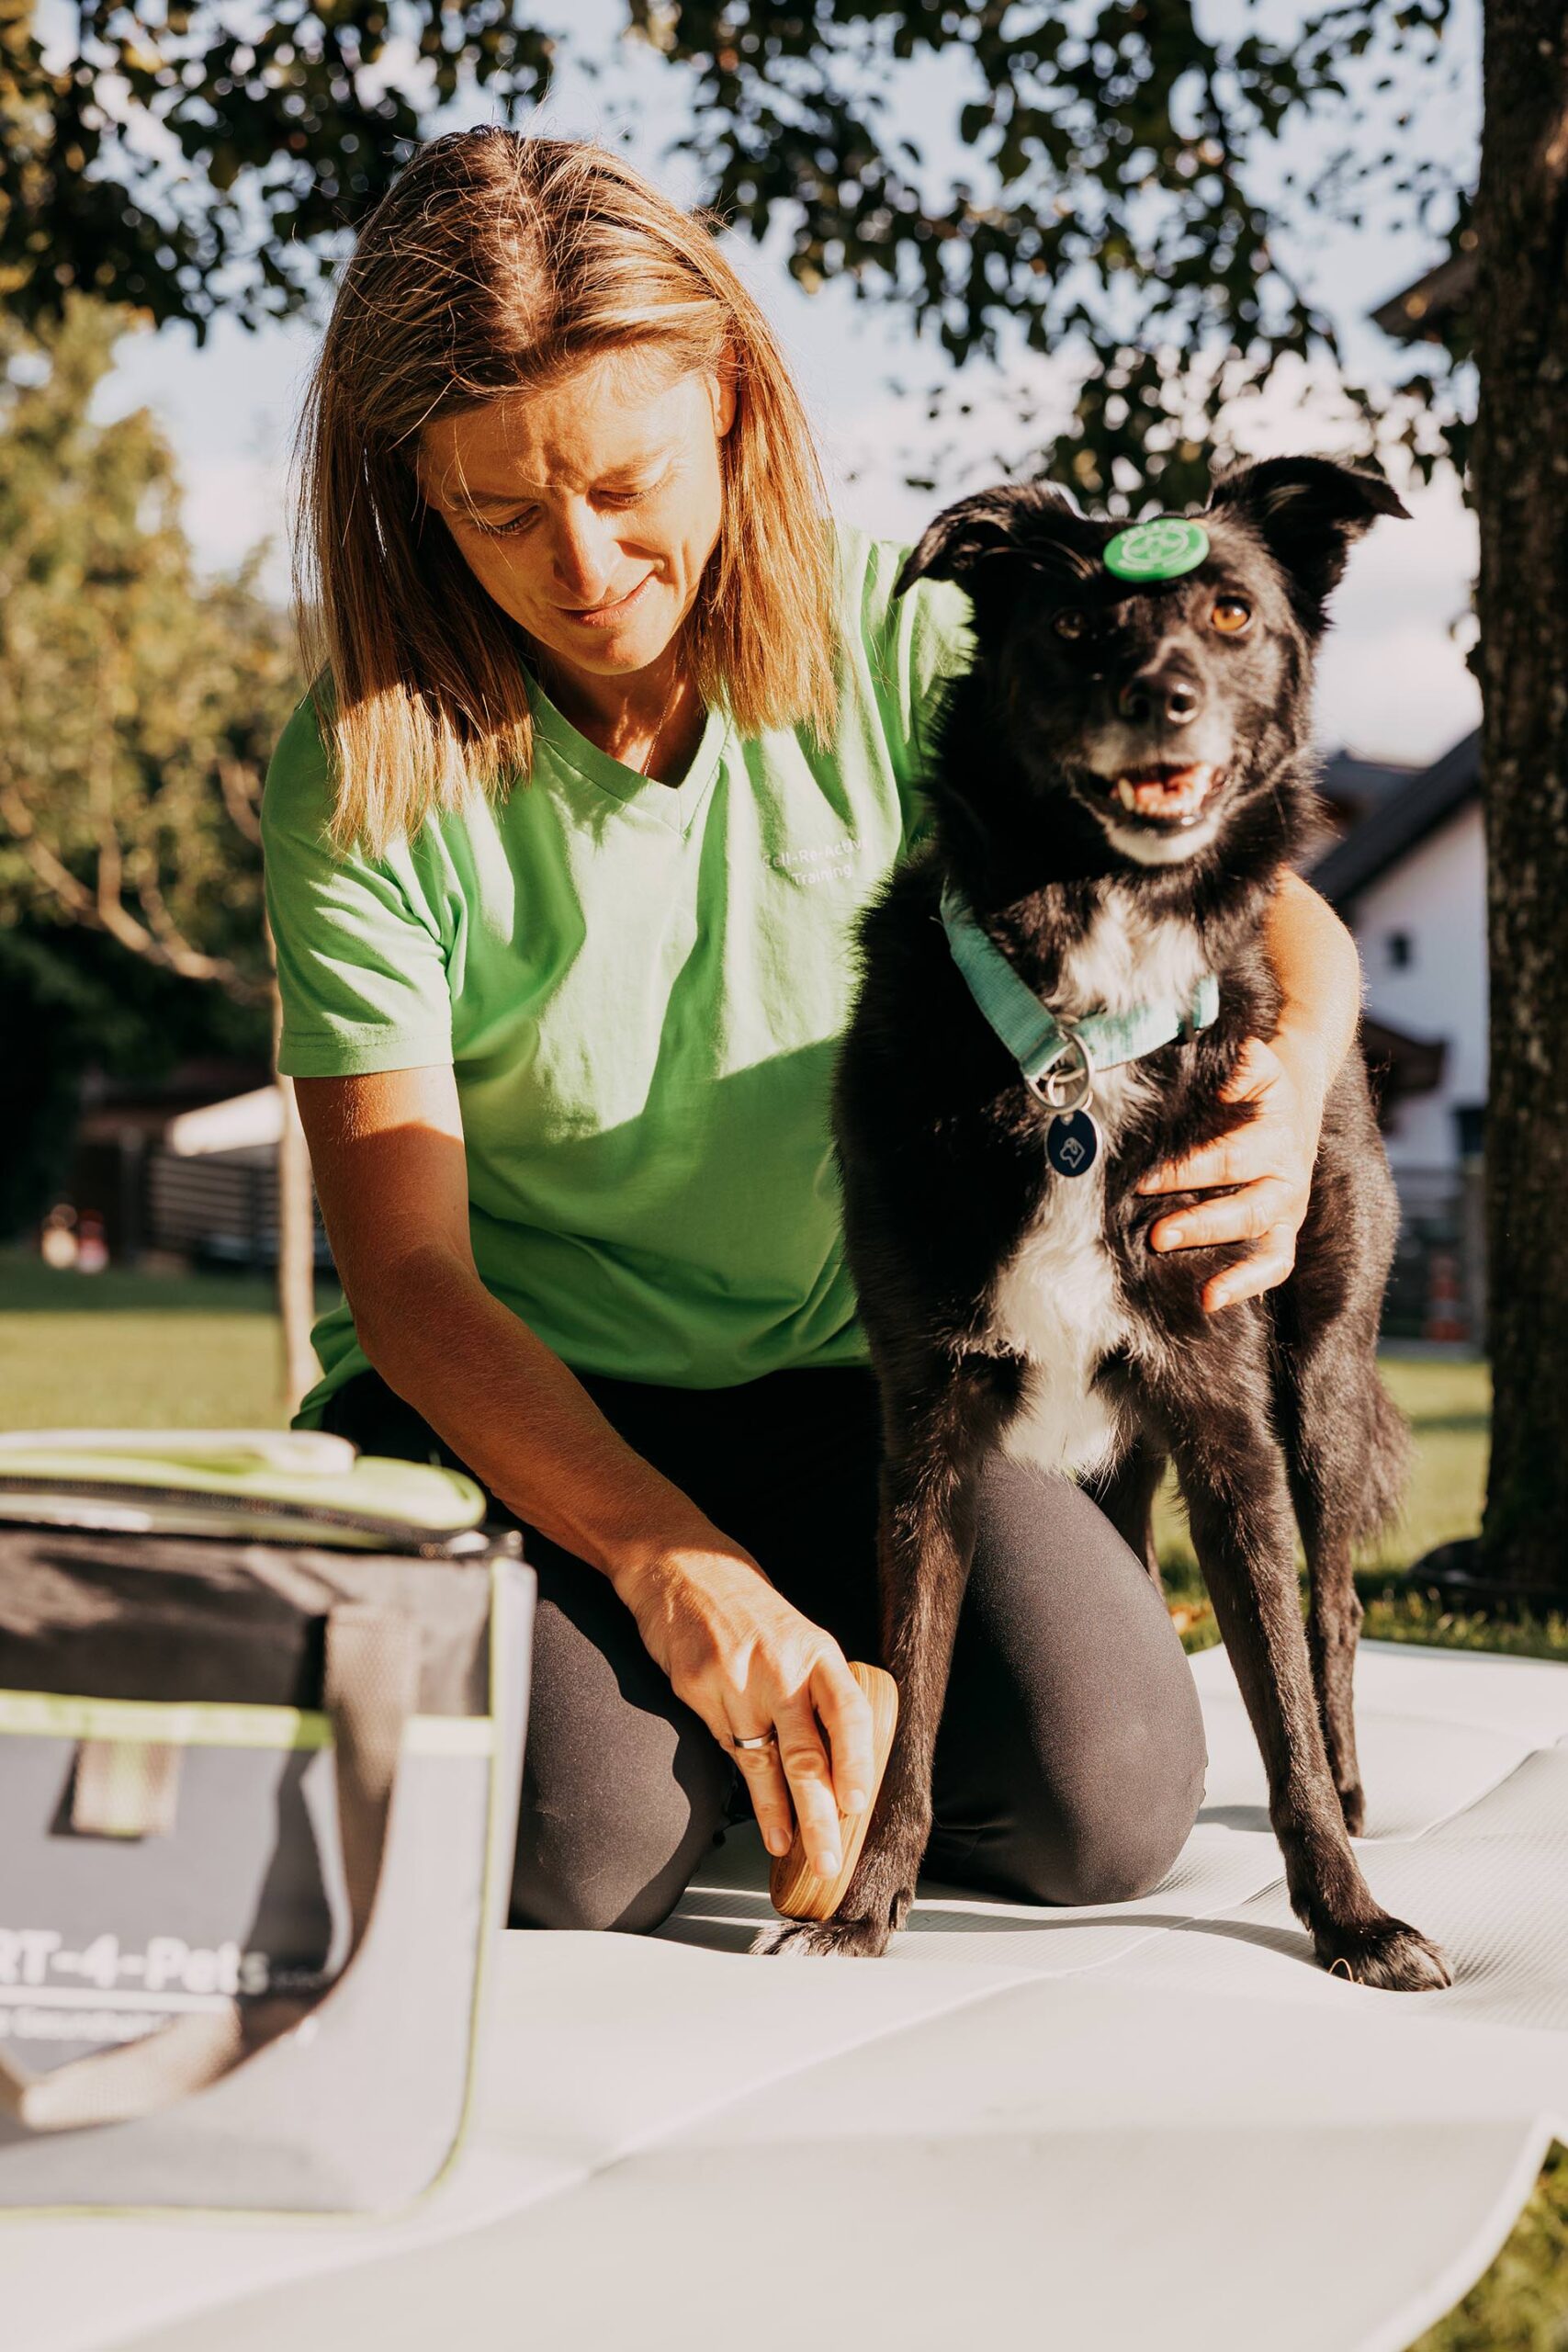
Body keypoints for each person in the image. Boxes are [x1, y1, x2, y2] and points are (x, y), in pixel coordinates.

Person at [262, 128, 1365, 1937]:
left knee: (1102, 1802)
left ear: (722, 399)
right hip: (513, 1409)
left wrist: (1294, 1076)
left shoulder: (899, 636)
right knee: (584, 1842)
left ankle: (768, 1688)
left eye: (623, 482)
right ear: (413, 493)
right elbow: (411, 1280)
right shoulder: (362, 766)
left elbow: (1275, 906)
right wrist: (671, 1565)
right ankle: (633, 1695)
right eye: (499, 511)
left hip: (861, 1385)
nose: (583, 563)